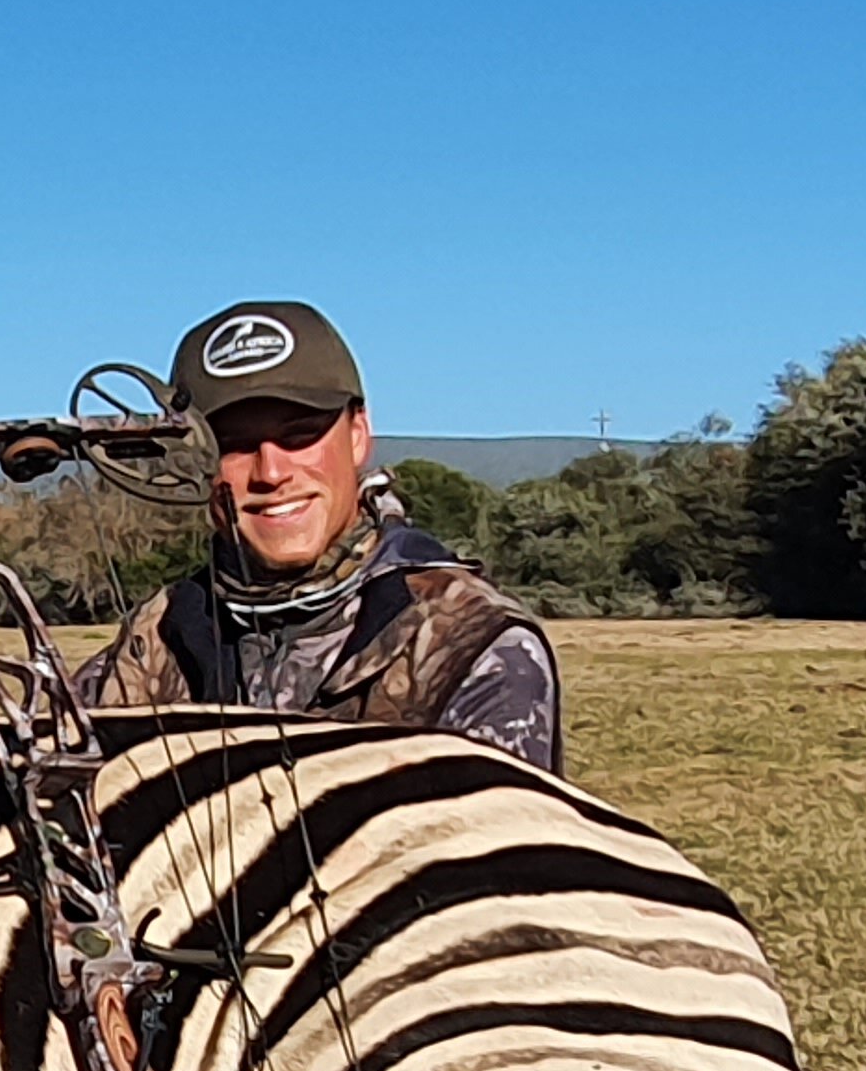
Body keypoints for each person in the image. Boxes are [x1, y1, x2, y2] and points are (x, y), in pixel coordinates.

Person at [74, 301, 562, 771]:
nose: (270, 471)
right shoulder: (158, 634)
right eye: (233, 445)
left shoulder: (471, 643)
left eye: (299, 435)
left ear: (357, 435)